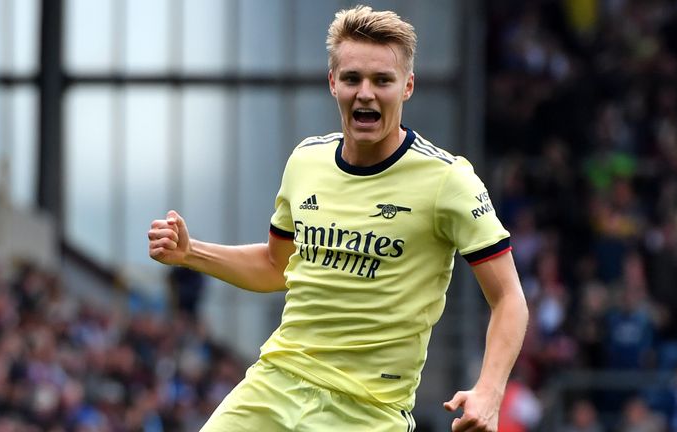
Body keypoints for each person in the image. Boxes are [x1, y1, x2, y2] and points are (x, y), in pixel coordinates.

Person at [148, 5, 528, 431]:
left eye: (382, 80)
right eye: (352, 78)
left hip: (367, 410)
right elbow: (277, 267)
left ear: (407, 86)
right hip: (274, 387)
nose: (365, 92)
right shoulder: (306, 161)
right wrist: (190, 252)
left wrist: (490, 393)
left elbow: (510, 299)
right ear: (333, 82)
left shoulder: (448, 181)